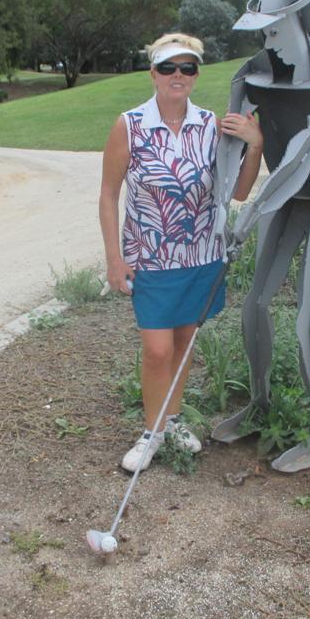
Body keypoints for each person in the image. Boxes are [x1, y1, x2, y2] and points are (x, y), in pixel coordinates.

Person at [99, 33, 264, 473]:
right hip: (151, 259)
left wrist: (255, 144)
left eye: (187, 67)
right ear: (153, 74)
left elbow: (239, 191)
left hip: (201, 256)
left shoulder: (211, 125)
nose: (178, 75)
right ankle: (151, 432)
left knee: (184, 342)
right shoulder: (130, 125)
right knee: (157, 350)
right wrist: (114, 258)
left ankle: (171, 421)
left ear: (195, 75)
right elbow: (109, 194)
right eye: (169, 67)